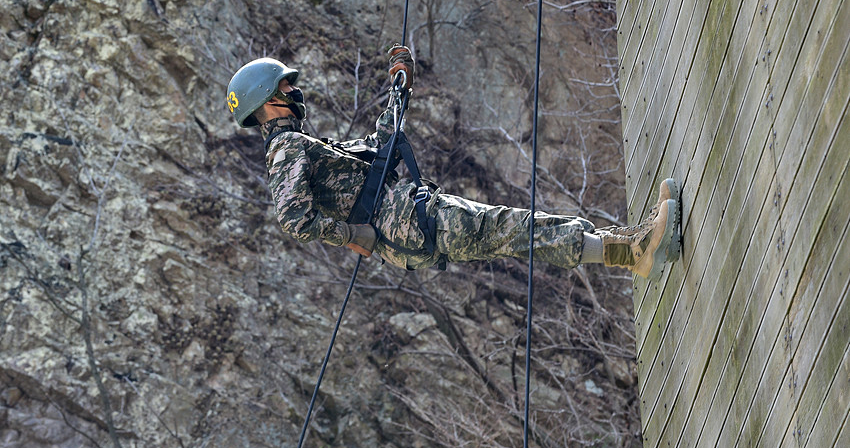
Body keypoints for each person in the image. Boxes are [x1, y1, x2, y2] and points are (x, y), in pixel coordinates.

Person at [226, 45, 681, 280]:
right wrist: (351, 235)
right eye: (284, 88)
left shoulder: (301, 145)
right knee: (512, 227)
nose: (293, 91)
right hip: (403, 223)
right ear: (267, 100)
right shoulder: (285, 150)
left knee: (513, 231)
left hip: (406, 221)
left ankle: (627, 249)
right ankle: (633, 251)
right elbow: (293, 219)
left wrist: (398, 92)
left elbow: (377, 151)